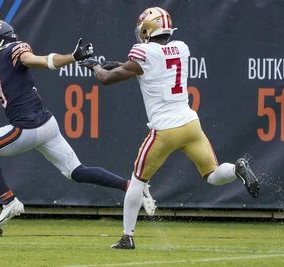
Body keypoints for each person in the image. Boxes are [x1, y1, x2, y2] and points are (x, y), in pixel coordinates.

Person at [0, 20, 156, 230]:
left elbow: (40, 60)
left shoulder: (13, 52)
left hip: (26, 127)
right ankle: (132, 187)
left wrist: (72, 56)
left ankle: (9, 201)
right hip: (46, 126)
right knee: (76, 172)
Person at [79, 7, 260, 249]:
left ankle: (127, 237)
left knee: (137, 181)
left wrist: (93, 65)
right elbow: (149, 65)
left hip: (164, 131)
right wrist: (117, 64)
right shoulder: (181, 48)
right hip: (190, 124)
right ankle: (237, 169)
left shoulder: (142, 51)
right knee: (213, 175)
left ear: (147, 29)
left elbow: (107, 78)